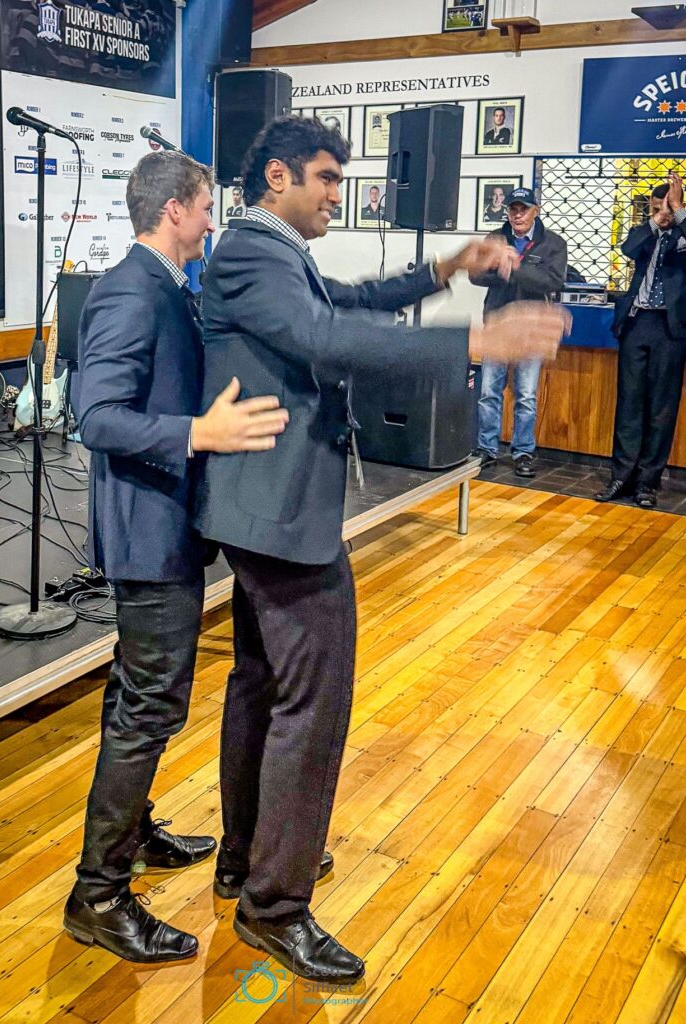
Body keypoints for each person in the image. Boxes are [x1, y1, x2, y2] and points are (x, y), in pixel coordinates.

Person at [195, 116, 568, 984]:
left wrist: (443, 269)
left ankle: (248, 858)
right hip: (277, 510)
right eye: (326, 178)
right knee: (312, 703)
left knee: (261, 686)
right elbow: (325, 338)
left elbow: (344, 304)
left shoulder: (270, 250)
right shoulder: (251, 251)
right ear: (279, 176)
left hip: (265, 508)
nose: (338, 194)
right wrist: (472, 341)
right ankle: (275, 905)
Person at [63, 150, 288, 964]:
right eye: (203, 208)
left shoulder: (164, 284)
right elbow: (96, 416)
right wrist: (200, 432)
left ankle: (135, 831)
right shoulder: (132, 289)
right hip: (147, 537)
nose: (210, 221)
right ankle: (98, 895)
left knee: (136, 697)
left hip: (164, 529)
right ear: (174, 212)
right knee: (151, 707)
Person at [595, 173, 686, 508]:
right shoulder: (643, 233)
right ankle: (621, 476)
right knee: (629, 404)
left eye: (668, 205)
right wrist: (656, 220)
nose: (663, 211)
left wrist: (678, 212)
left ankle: (648, 483)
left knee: (661, 408)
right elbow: (627, 248)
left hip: (670, 327)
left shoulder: (683, 234)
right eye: (656, 205)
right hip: (637, 322)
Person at [471, 186, 568, 478]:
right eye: (513, 209)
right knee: (489, 392)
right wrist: (497, 266)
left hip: (531, 329)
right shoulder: (495, 238)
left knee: (525, 395)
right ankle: (486, 449)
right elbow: (476, 275)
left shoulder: (553, 244)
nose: (517, 215)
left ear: (535, 211)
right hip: (497, 324)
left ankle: (523, 452)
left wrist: (514, 268)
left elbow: (552, 282)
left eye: (523, 209)